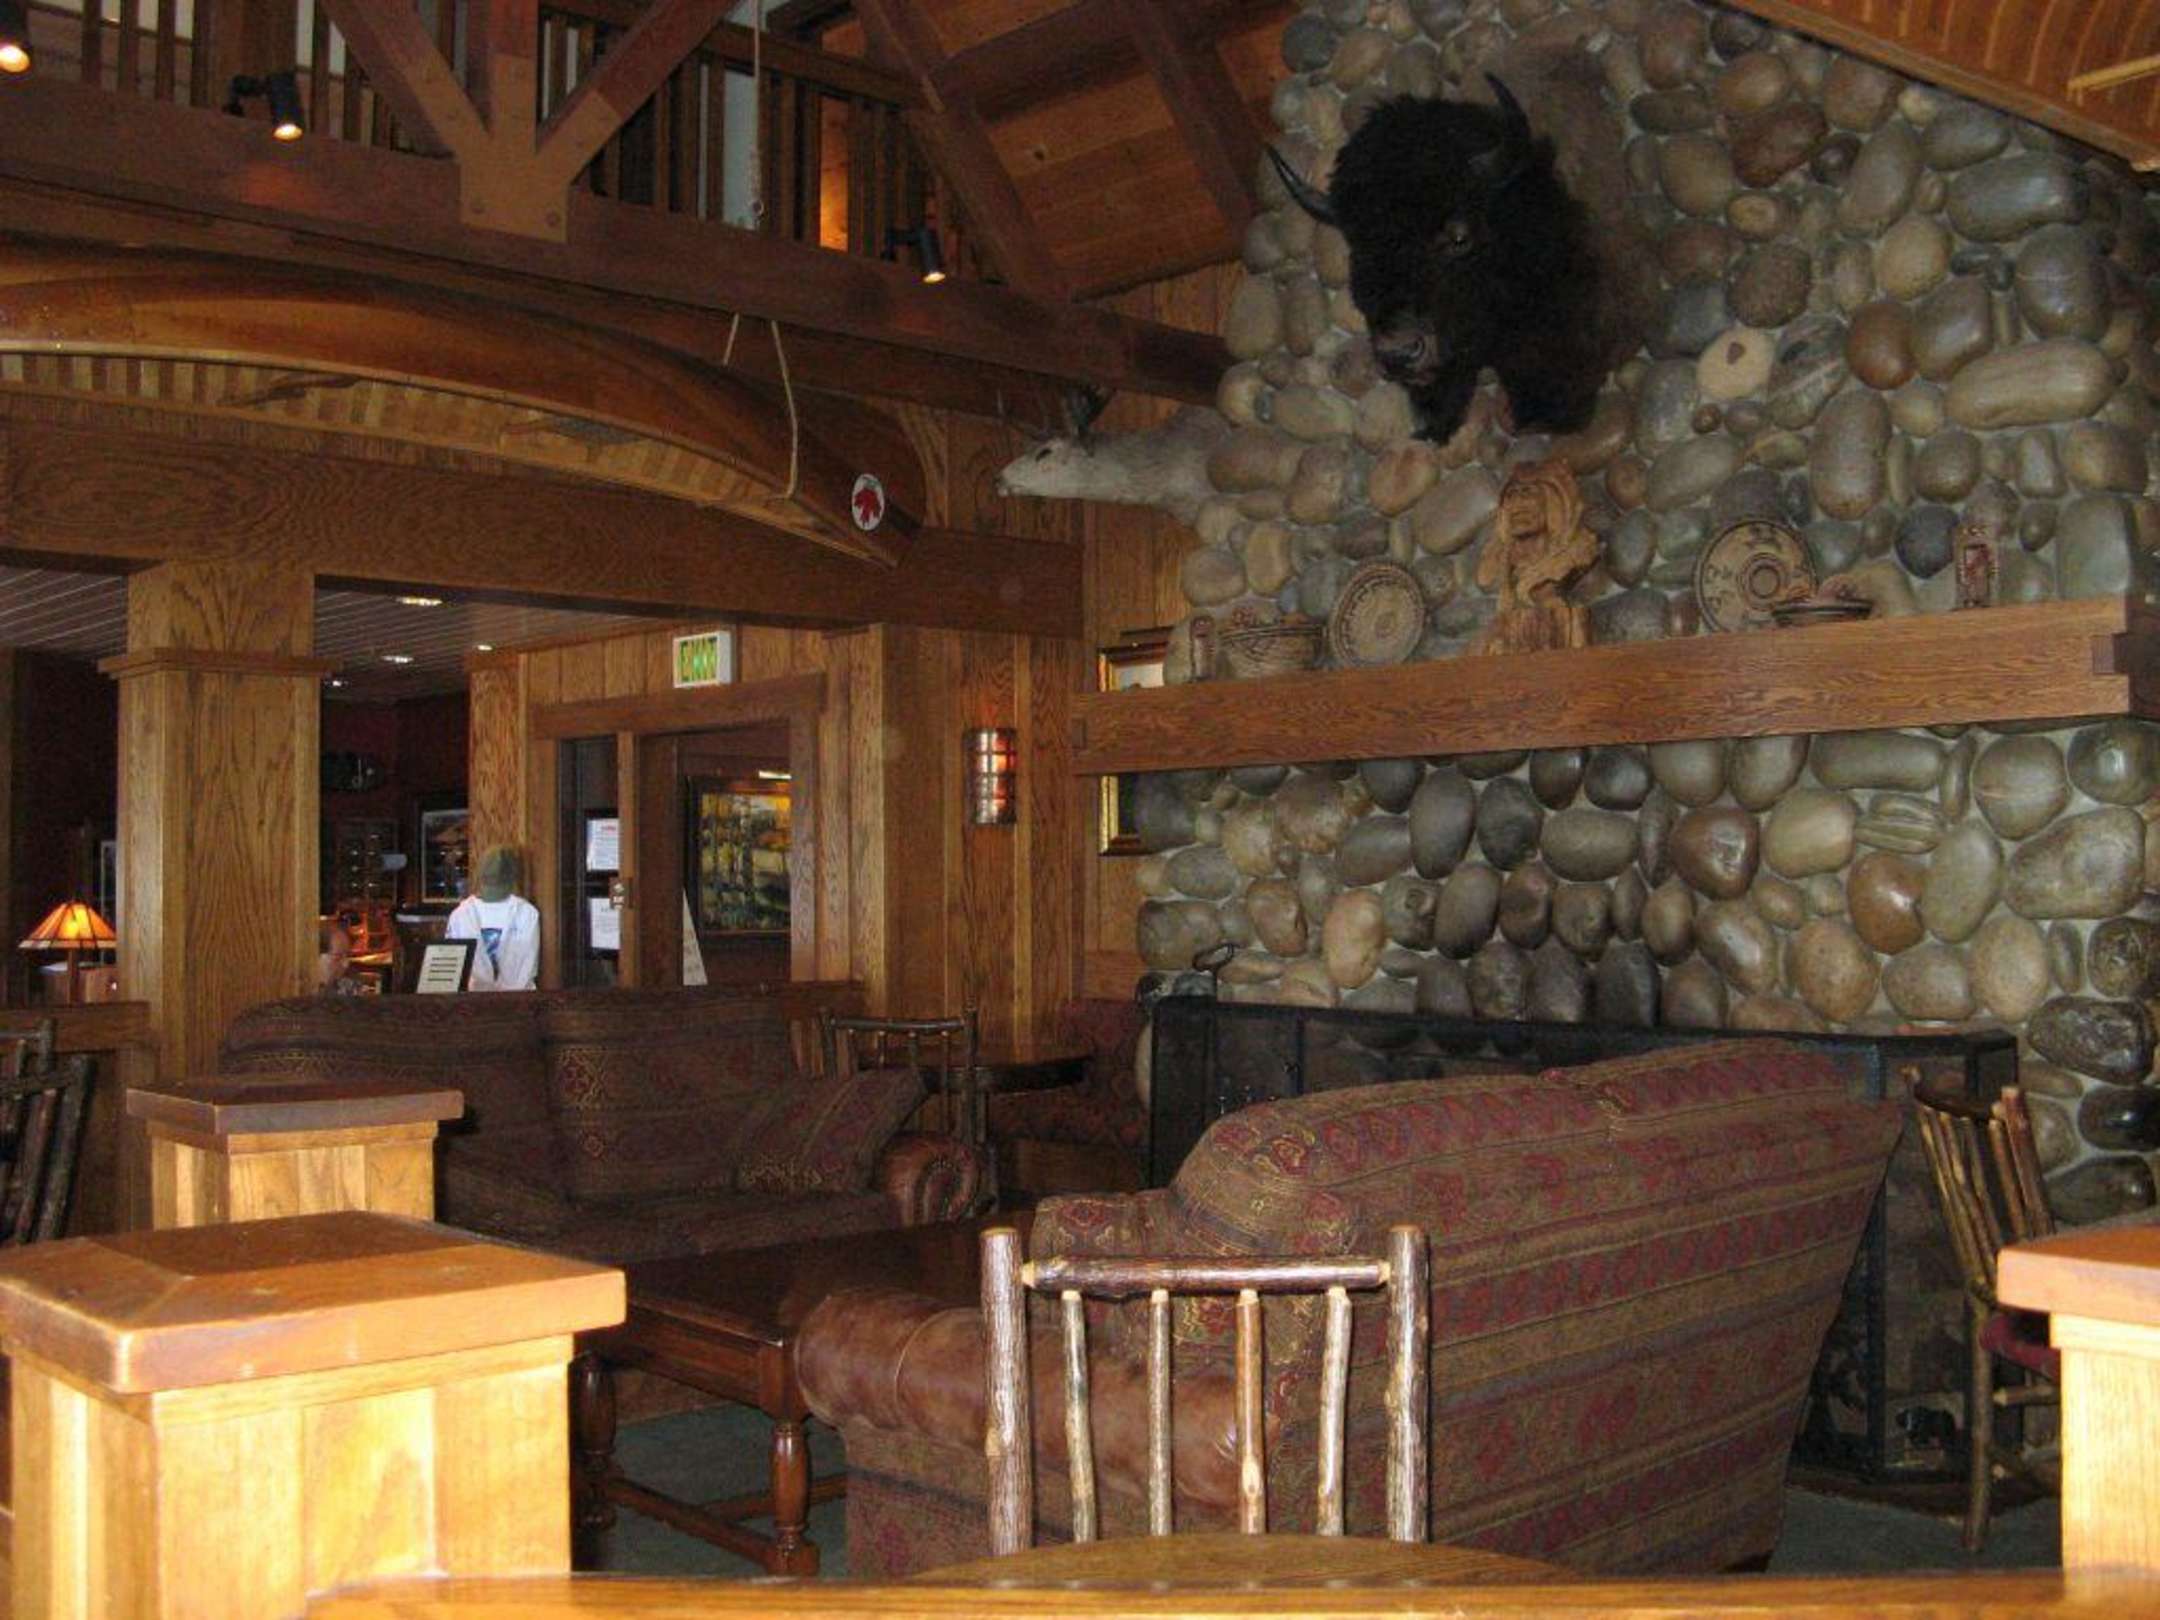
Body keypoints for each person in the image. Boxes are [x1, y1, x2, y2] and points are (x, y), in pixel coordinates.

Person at [444, 844, 540, 992]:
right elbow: (451, 971)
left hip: (518, 1001)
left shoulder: (526, 914)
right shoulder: (460, 916)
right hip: (470, 1002)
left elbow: (525, 970)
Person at [317, 918, 363, 996]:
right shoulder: (298, 989)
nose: (346, 964)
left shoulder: (348, 989)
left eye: (348, 956)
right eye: (338, 957)